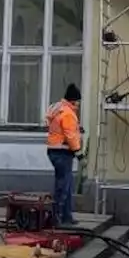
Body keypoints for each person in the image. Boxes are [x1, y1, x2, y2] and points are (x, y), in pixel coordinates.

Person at [45, 83, 83, 225]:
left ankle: (66, 216)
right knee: (63, 186)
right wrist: (78, 152)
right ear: (73, 100)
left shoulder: (60, 109)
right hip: (62, 152)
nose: (79, 104)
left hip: (55, 151)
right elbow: (70, 134)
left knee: (66, 184)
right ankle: (57, 217)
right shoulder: (68, 113)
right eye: (78, 100)